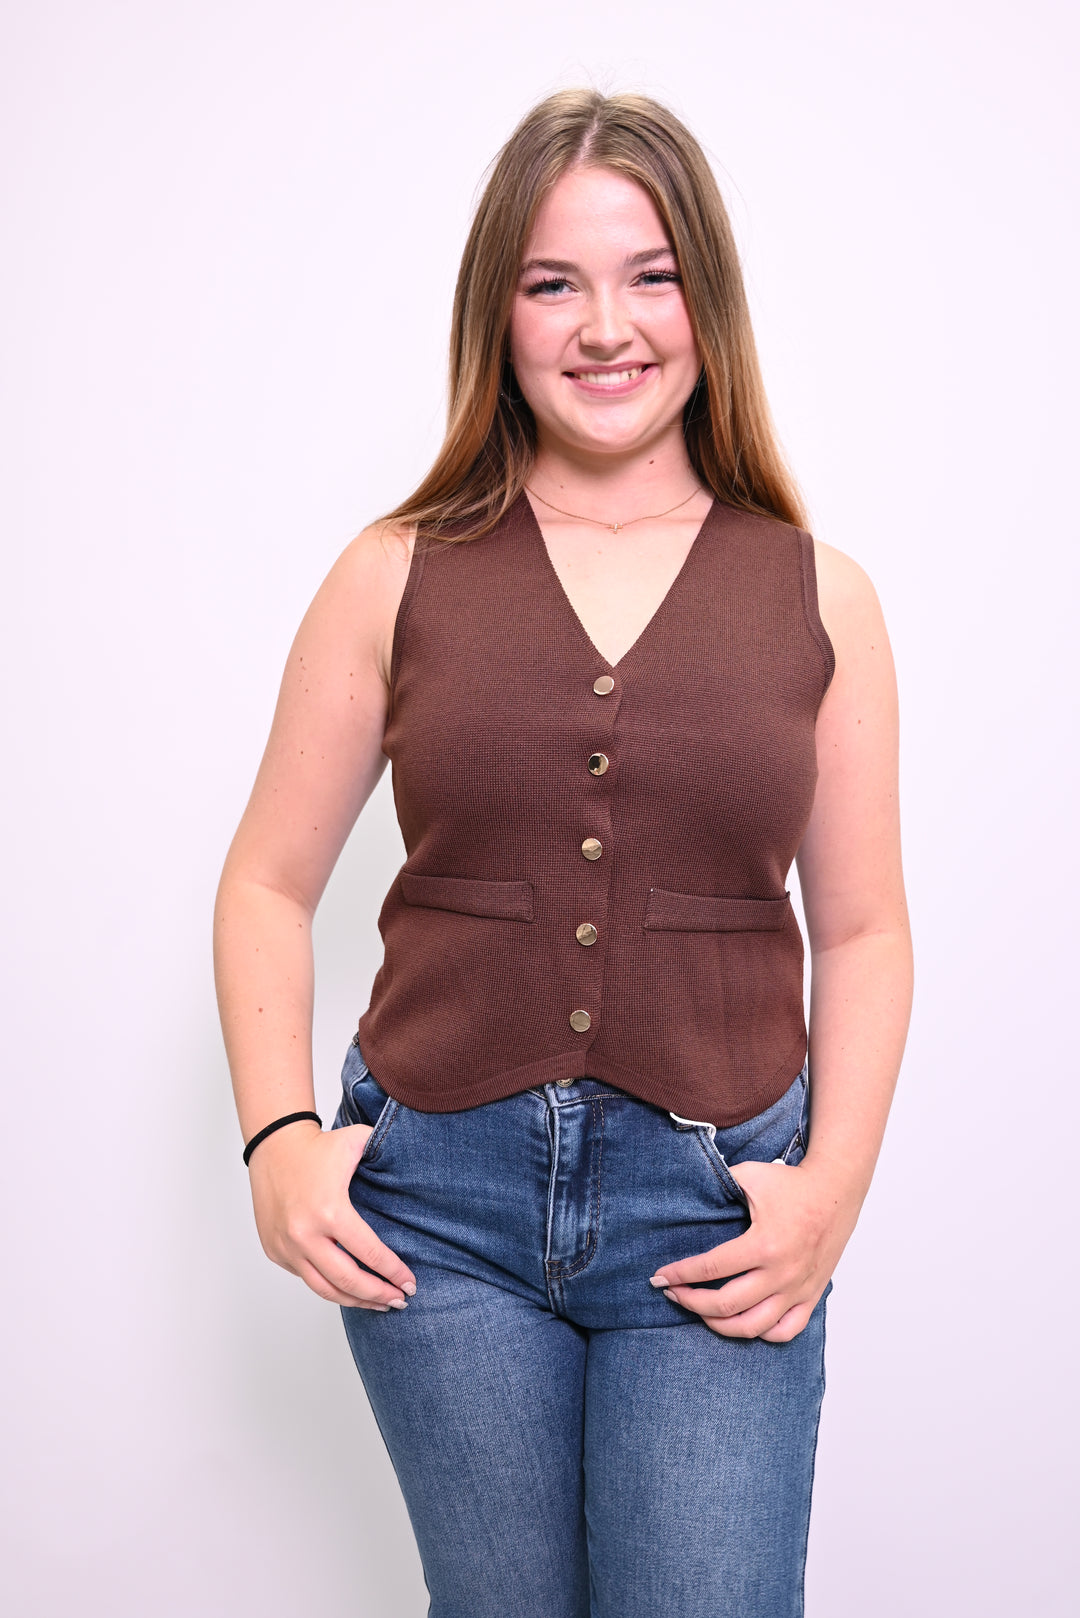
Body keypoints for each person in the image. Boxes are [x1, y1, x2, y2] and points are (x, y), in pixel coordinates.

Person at [214, 88, 913, 1618]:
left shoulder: (821, 595)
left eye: (650, 275)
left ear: (707, 299)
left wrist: (833, 1190)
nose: (607, 326)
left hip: (715, 1211)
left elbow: (864, 927)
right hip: (437, 1213)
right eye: (553, 283)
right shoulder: (392, 573)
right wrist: (277, 1144)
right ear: (500, 312)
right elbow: (266, 879)